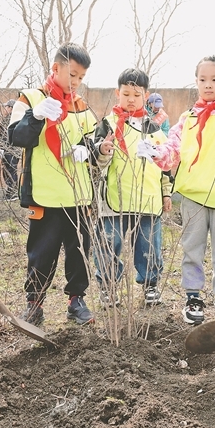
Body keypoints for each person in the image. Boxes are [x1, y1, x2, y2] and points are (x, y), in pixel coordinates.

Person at [137, 56, 215, 324]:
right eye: (203, 79)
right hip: (192, 197)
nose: (208, 84)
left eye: (214, 79)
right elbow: (172, 151)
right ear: (196, 82)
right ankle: (193, 298)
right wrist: (155, 152)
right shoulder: (187, 119)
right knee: (192, 251)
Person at [8, 42, 97, 326]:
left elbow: (93, 143)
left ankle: (76, 301)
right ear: (56, 68)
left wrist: (88, 149)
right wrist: (35, 117)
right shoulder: (30, 98)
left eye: (81, 77)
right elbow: (16, 137)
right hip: (44, 194)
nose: (76, 82)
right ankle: (34, 303)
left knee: (79, 252)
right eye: (72, 74)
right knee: (41, 253)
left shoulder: (81, 106)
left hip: (78, 195)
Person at [91, 68, 172, 307]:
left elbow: (165, 165)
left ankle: (150, 285)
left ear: (146, 95)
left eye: (137, 95)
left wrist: (166, 192)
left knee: (149, 247)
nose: (131, 99)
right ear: (118, 93)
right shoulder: (108, 124)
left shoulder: (155, 129)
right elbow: (95, 162)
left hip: (148, 201)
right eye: (126, 94)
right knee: (109, 245)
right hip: (114, 201)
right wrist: (102, 151)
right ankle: (108, 287)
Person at [0, 99, 20, 201]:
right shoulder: (17, 118)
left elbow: (5, 134)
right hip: (13, 149)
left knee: (10, 170)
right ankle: (11, 192)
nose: (5, 109)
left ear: (11, 108)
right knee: (10, 170)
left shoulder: (10, 119)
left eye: (6, 107)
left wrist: (2, 148)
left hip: (9, 149)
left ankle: (12, 193)